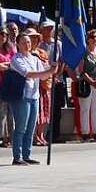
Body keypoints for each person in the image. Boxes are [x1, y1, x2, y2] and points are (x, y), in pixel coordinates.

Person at [7, 32, 56, 166]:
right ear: (18, 44)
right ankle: (17, 156)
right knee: (21, 127)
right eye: (23, 42)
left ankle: (27, 155)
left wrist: (52, 69)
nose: (27, 45)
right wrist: (47, 72)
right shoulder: (16, 59)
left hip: (34, 96)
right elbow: (27, 74)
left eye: (28, 42)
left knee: (31, 127)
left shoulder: (35, 58)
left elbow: (44, 76)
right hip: (22, 96)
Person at [75, 29, 96, 142]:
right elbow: (82, 70)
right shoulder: (83, 52)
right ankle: (85, 133)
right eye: (92, 37)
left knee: (95, 108)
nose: (95, 39)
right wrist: (91, 81)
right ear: (88, 39)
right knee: (85, 108)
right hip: (86, 83)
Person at [27, 30, 53, 147]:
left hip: (45, 84)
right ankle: (34, 136)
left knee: (44, 111)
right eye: (31, 38)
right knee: (36, 113)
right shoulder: (26, 54)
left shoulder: (42, 52)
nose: (34, 40)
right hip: (33, 86)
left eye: (36, 38)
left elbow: (46, 66)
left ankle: (41, 134)